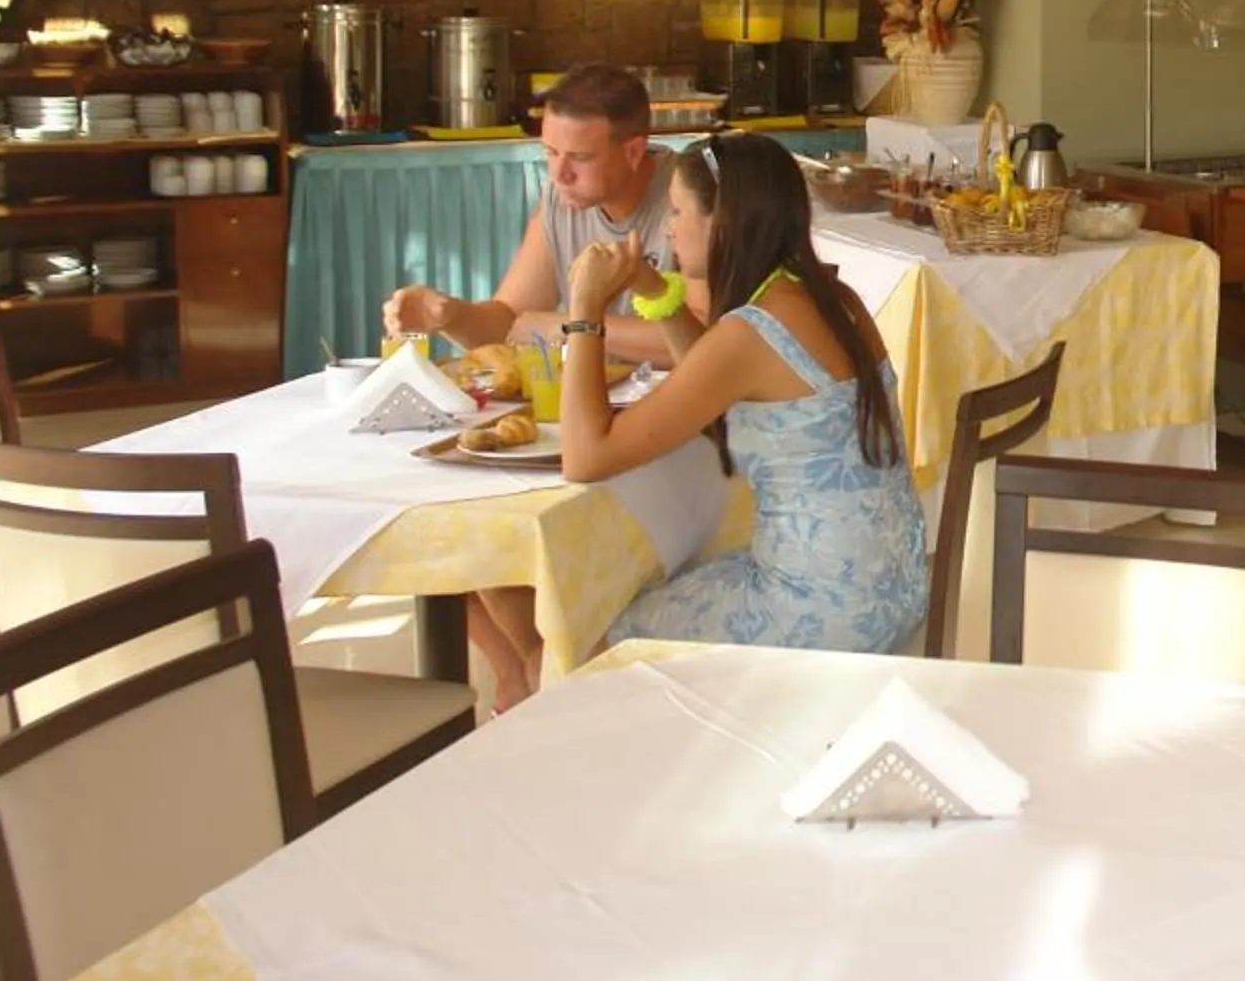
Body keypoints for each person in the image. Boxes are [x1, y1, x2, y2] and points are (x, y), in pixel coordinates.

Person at [471, 133, 927, 705]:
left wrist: (585, 313)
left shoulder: (751, 332)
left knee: (576, 651)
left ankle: (548, 714)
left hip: (822, 609)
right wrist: (653, 290)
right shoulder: (831, 296)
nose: (669, 228)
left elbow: (586, 458)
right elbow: (714, 379)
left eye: (681, 211)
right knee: (619, 602)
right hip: (890, 586)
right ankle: (535, 694)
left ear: (723, 221)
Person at [382, 64, 686, 365]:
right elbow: (511, 324)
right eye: (551, 153)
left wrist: (568, 326)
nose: (559, 174)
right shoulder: (560, 197)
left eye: (580, 157)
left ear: (633, 152)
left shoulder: (690, 194)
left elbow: (705, 342)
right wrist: (448, 315)